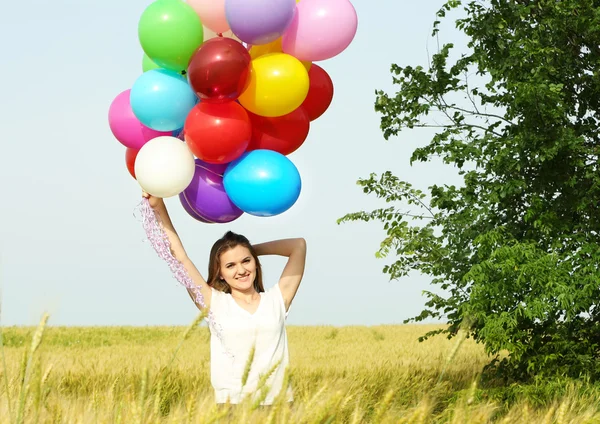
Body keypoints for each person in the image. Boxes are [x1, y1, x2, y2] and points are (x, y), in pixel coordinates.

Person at [143, 192, 307, 406]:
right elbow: (180, 256)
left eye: (246, 261)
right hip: (232, 410)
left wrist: (250, 249)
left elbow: (298, 246)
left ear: (255, 263)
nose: (241, 270)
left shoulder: (277, 299)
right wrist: (158, 206)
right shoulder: (214, 303)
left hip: (281, 408)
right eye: (230, 265)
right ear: (219, 272)